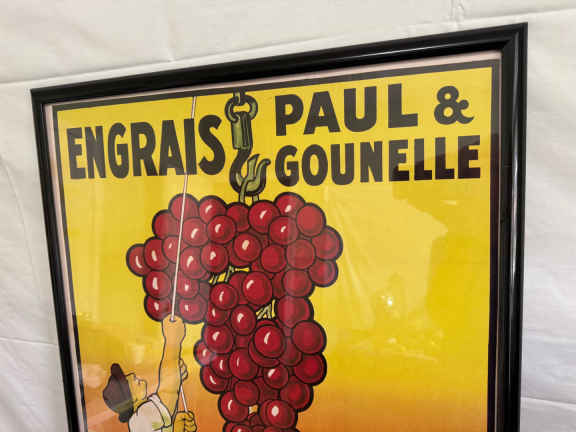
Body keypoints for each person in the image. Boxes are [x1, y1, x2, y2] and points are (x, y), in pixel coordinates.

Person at [103, 315, 196, 432]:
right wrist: (172, 342)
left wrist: (175, 428)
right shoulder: (139, 418)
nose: (132, 376)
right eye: (126, 381)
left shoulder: (141, 416)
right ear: (131, 399)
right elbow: (168, 394)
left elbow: (168, 398)